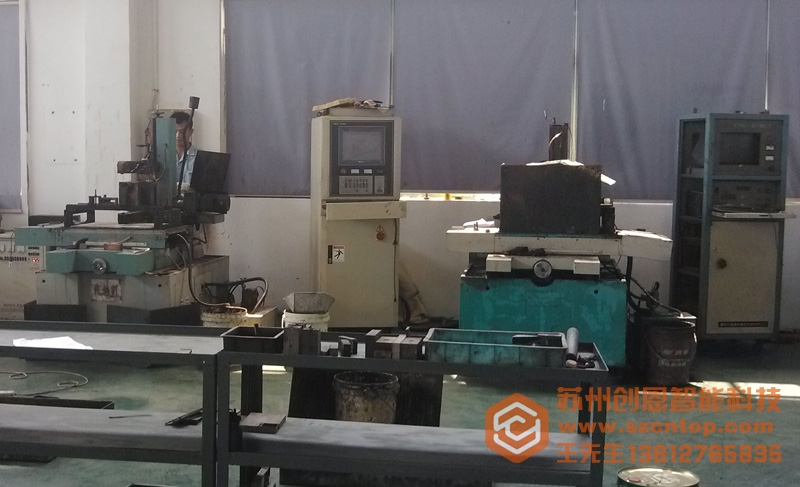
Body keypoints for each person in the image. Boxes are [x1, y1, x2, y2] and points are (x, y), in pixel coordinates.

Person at [171, 111, 197, 191]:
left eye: (182, 132)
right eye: (174, 131)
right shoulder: (163, 157)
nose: (178, 136)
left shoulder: (199, 158)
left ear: (191, 132)